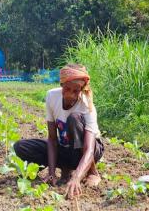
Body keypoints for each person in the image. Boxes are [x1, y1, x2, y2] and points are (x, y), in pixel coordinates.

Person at [13, 64, 104, 199]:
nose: (71, 94)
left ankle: (92, 172)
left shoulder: (86, 104)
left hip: (89, 150)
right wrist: (51, 172)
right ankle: (65, 171)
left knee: (73, 119)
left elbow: (89, 149)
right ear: (62, 85)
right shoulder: (52, 96)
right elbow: (52, 139)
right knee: (21, 147)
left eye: (76, 90)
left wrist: (77, 178)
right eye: (67, 89)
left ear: (81, 89)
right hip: (65, 148)